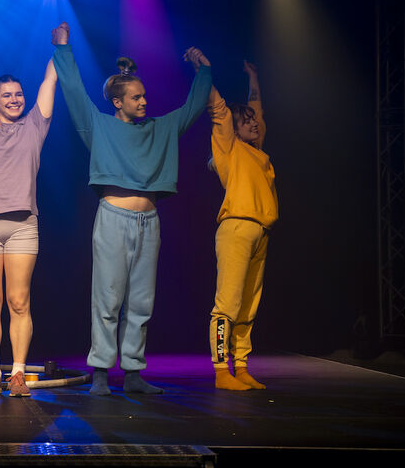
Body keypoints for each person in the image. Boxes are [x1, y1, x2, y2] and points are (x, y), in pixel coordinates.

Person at [51, 22, 212, 395]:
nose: (143, 101)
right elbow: (75, 93)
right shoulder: (100, 126)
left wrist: (203, 71)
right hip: (113, 218)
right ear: (118, 101)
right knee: (107, 298)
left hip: (149, 221)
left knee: (141, 301)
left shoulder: (162, 128)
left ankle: (135, 373)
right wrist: (63, 49)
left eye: (144, 96)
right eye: (135, 97)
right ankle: (102, 374)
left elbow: (193, 106)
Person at [0, 35, 59, 398]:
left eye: (18, 94)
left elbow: (49, 80)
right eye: (6, 95)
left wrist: (60, 47)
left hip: (23, 226)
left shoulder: (35, 125)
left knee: (19, 302)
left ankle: (17, 373)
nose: (15, 99)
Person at [206, 61, 277, 390]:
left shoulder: (258, 154)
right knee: (229, 303)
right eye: (247, 122)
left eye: (254, 121)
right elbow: (219, 111)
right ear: (233, 129)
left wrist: (253, 77)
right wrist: (204, 72)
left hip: (261, 232)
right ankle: (222, 371)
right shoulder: (229, 149)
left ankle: (242, 365)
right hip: (236, 228)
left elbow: (257, 109)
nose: (254, 125)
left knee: (249, 305)